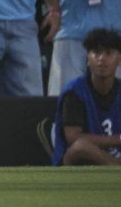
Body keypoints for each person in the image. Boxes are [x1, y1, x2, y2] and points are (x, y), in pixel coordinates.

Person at [52, 28, 121, 166]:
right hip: (79, 161)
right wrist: (118, 139)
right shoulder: (74, 92)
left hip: (116, 153)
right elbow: (73, 138)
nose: (102, 58)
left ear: (119, 59)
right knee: (81, 147)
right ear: (88, 59)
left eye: (109, 53)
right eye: (96, 53)